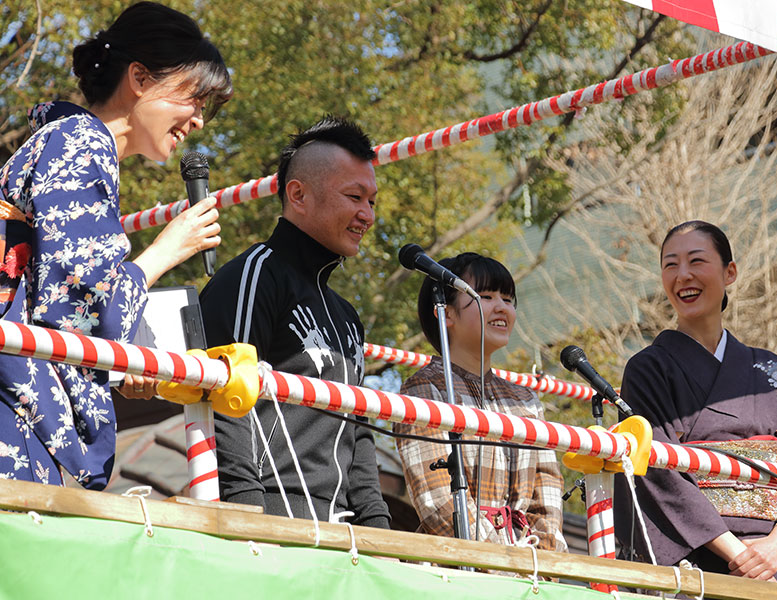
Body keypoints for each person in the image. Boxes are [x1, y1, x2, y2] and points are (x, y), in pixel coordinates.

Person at [0, 2, 231, 489]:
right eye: (193, 99)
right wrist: (167, 251)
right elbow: (75, 307)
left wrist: (124, 362)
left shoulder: (69, 141)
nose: (198, 121)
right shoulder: (80, 143)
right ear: (140, 79)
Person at [202, 116, 390, 529]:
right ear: (298, 194)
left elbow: (358, 433)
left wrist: (379, 530)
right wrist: (249, 517)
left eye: (372, 202)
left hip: (342, 533)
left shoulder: (347, 315)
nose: (367, 215)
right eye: (355, 196)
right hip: (270, 520)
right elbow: (226, 402)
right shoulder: (254, 274)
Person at [613, 220, 777, 585]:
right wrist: (741, 556)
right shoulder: (648, 369)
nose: (682, 275)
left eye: (696, 261)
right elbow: (658, 470)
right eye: (670, 265)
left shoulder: (772, 369)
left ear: (730, 273)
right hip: (698, 561)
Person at [395, 253, 567, 552]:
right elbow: (437, 501)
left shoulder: (525, 400)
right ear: (446, 314)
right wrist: (500, 563)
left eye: (508, 299)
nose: (502, 307)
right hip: (457, 562)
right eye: (485, 296)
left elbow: (547, 494)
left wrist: (544, 560)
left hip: (529, 563)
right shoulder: (424, 389)